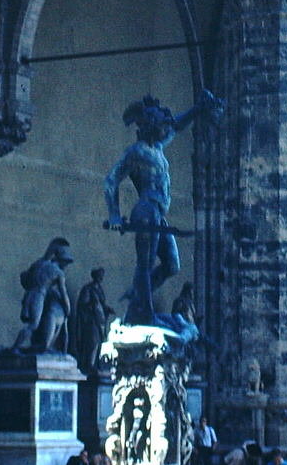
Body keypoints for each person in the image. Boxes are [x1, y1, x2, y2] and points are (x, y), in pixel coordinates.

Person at [105, 90, 223, 325]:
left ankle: (138, 296)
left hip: (159, 213)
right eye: (160, 124)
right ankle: (144, 314)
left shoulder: (157, 146)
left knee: (172, 265)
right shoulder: (137, 152)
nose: (165, 129)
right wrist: (115, 215)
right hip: (146, 210)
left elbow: (177, 125)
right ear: (149, 126)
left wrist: (199, 108)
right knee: (146, 263)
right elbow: (111, 180)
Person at [12, 237, 74, 352]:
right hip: (38, 296)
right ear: (61, 259)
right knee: (33, 324)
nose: (66, 265)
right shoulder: (58, 273)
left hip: (29, 295)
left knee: (33, 323)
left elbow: (25, 278)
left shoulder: (39, 264)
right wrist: (68, 308)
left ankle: (25, 348)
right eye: (66, 262)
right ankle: (15, 348)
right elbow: (63, 293)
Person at [73, 268, 115, 373]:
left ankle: (95, 364)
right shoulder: (88, 289)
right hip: (91, 321)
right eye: (99, 276)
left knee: (99, 343)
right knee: (92, 342)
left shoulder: (99, 289)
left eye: (102, 276)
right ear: (95, 276)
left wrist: (106, 309)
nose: (101, 278)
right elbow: (83, 304)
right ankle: (89, 365)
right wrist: (92, 308)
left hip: (100, 321)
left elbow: (101, 304)